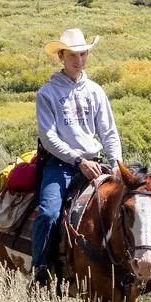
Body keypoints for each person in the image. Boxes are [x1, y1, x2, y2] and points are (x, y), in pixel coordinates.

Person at [32, 28, 123, 286]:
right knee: (49, 213)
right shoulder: (47, 93)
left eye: (83, 54)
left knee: (129, 207)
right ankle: (39, 268)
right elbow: (50, 138)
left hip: (95, 163)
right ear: (61, 55)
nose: (79, 60)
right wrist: (78, 161)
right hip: (61, 165)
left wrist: (116, 164)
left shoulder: (95, 91)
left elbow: (109, 132)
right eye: (73, 54)